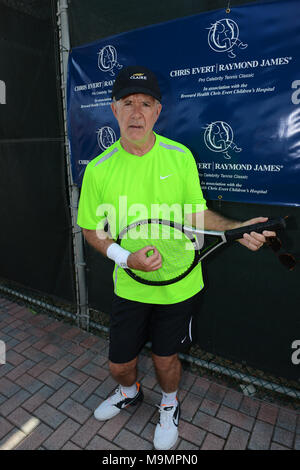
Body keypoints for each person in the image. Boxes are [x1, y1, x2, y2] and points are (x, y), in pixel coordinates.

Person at [76, 65, 276, 450]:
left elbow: (197, 215)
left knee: (166, 360)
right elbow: (90, 229)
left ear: (158, 111)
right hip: (130, 286)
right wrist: (125, 257)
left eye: (145, 104)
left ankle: (169, 403)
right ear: (113, 109)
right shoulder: (99, 170)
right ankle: (129, 392)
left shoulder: (179, 157)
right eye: (128, 103)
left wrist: (236, 230)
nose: (137, 113)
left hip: (179, 286)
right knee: (119, 364)